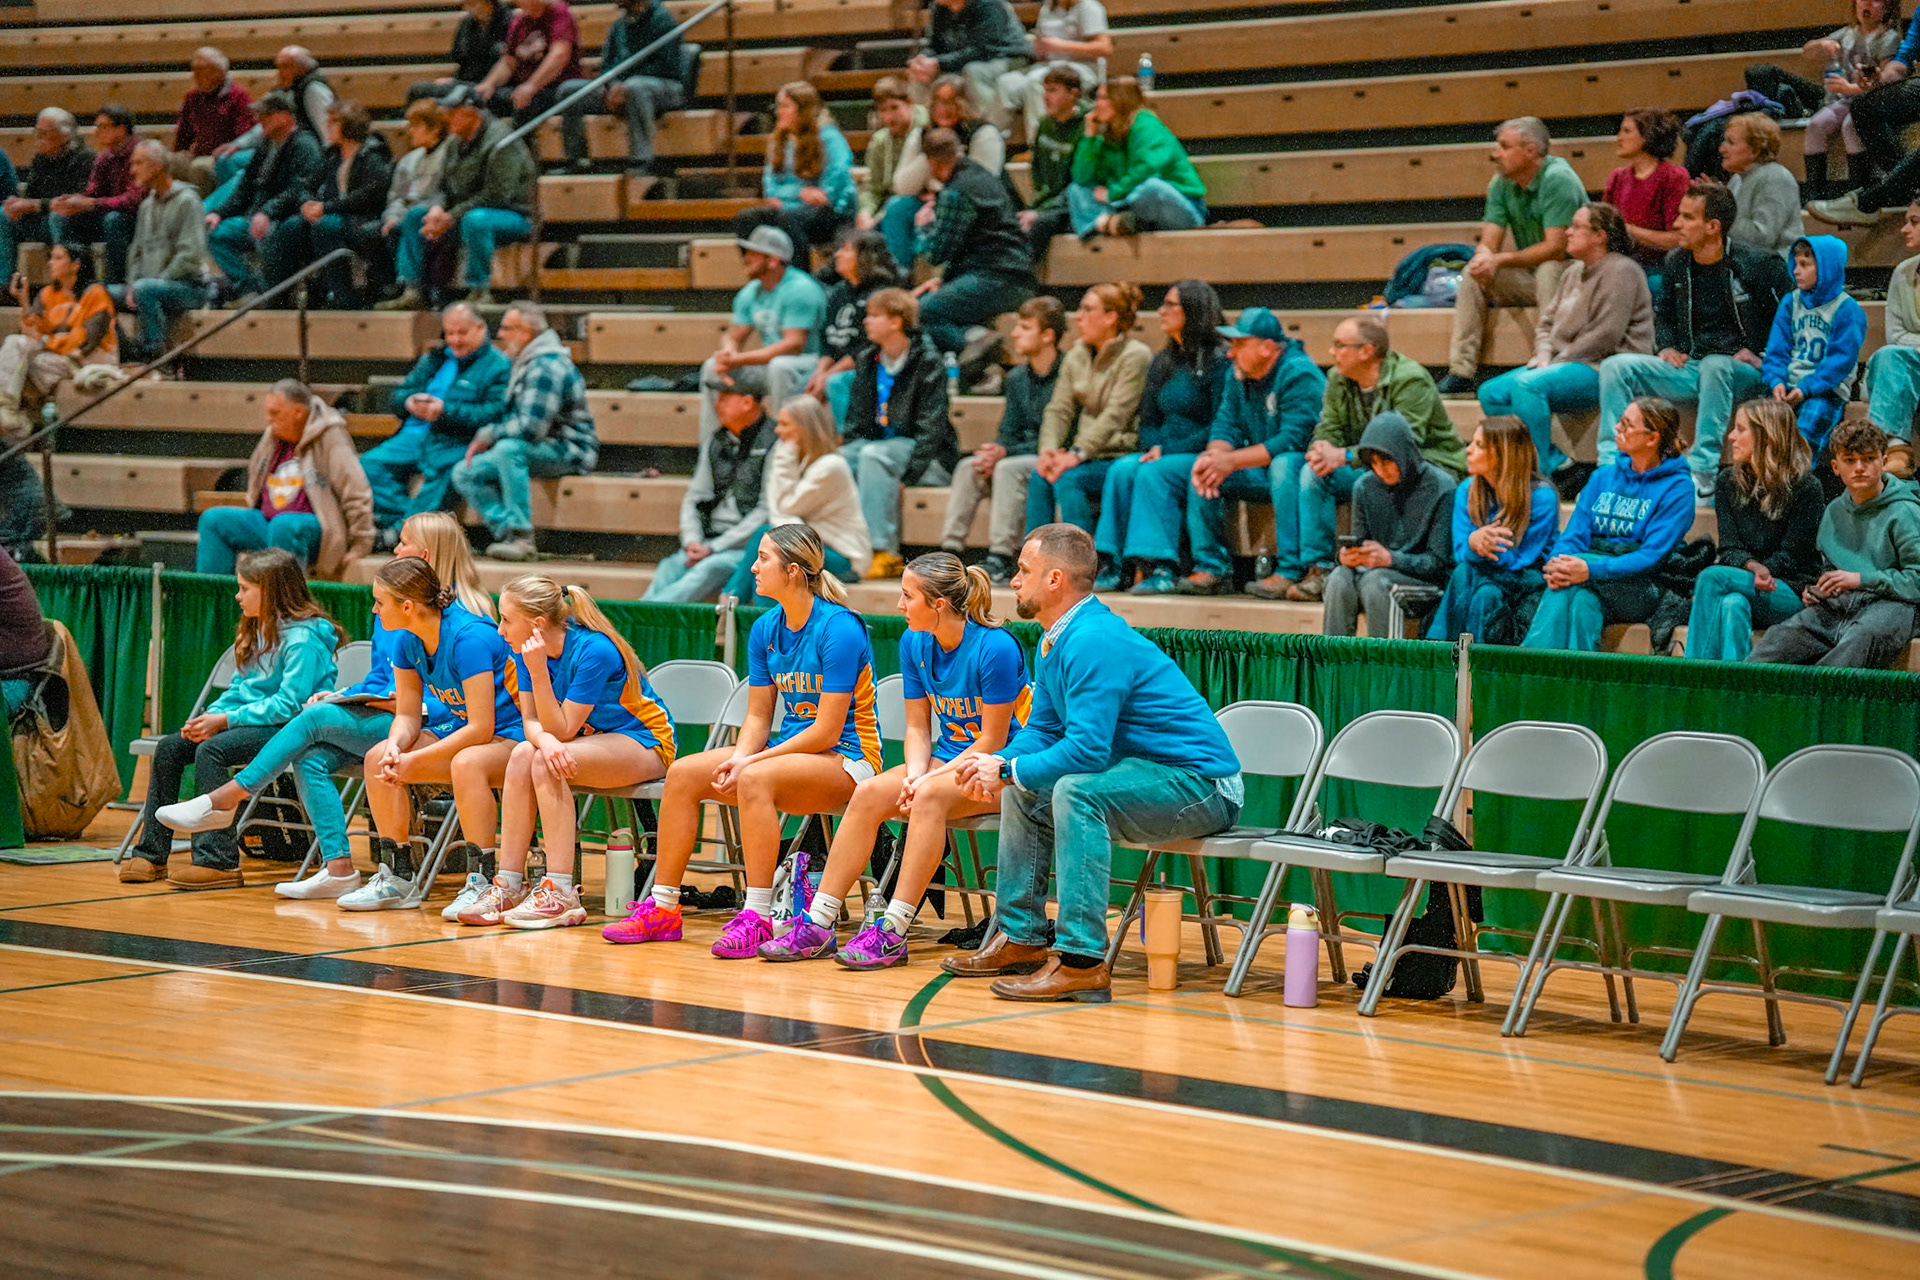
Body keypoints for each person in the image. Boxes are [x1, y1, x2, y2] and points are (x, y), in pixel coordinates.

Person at [946, 523, 1241, 1002]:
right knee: (1025, 791)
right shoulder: (1055, 638)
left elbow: (1087, 751)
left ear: (1055, 580)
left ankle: (1081, 962)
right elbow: (1043, 732)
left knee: (1074, 791)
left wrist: (1006, 770)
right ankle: (1021, 938)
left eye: (1023, 571)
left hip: (1202, 785)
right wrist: (997, 762)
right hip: (1146, 776)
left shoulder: (1093, 639)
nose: (1014, 581)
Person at [149, 511, 494, 903]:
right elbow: (383, 680)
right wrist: (345, 693)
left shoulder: (465, 622)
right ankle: (338, 868)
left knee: (312, 719)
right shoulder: (397, 619)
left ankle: (228, 798)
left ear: (425, 557)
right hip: (390, 715)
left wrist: (384, 703)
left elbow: (453, 700)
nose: (395, 549)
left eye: (403, 542)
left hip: (439, 724)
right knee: (310, 757)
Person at [603, 524, 882, 955]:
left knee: (754, 778)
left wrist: (753, 762)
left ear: (792, 571)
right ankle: (663, 907)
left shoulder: (839, 628)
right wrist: (745, 755)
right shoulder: (766, 627)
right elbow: (757, 716)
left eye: (763, 558)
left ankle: (758, 915)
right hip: (791, 755)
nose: (753, 567)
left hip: (848, 758)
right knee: (684, 774)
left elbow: (827, 730)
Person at [759, 552, 1027, 967]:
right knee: (868, 793)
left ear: (938, 604)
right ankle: (819, 923)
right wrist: (915, 775)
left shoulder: (995, 647)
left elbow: (992, 739)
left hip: (1002, 768)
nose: (900, 605)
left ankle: (893, 931)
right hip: (948, 762)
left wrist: (927, 783)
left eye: (908, 596)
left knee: (929, 798)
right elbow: (918, 728)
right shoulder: (914, 641)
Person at [118, 549, 345, 889]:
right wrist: (211, 716)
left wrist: (226, 721)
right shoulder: (259, 628)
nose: (238, 596)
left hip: (291, 729)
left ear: (269, 592)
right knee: (170, 748)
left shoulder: (303, 639)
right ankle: (151, 854)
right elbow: (241, 687)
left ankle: (218, 862)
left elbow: (289, 705)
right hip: (250, 721)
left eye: (244, 588)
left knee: (212, 750)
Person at [459, 576, 676, 929]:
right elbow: (531, 722)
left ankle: (561, 893)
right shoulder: (526, 649)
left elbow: (563, 729)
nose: (500, 630)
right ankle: (509, 884)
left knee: (544, 762)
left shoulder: (594, 650)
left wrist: (539, 679)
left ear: (537, 624)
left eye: (506, 619)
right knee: (522, 755)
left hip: (643, 740)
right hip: (586, 741)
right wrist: (544, 741)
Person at [347, 556, 522, 910]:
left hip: (514, 733)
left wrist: (416, 759)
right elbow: (407, 715)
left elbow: (482, 727)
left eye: (379, 602)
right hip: (466, 731)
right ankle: (397, 879)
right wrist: (396, 746)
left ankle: (482, 882)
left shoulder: (469, 638)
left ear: (407, 606)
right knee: (378, 758)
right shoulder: (406, 641)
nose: (374, 610)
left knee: (467, 764)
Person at [1598, 178, 1792, 497]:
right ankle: (1610, 464)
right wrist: (1666, 346)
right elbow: (1664, 313)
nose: (1676, 224)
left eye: (1687, 217)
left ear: (1713, 226)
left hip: (1748, 372)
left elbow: (1791, 318)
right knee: (1616, 367)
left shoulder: (1758, 264)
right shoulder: (1676, 262)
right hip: (1693, 366)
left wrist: (1764, 356)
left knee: (1716, 364)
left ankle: (1702, 469)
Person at [1289, 315, 1464, 601]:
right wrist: (1321, 447)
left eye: (1339, 345)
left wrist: (1344, 455)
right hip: (1370, 466)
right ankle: (1319, 569)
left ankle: (1401, 564)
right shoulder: (1338, 378)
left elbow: (1407, 444)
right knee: (1313, 472)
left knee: (1375, 470)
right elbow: (1329, 425)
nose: (1331, 352)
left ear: (1366, 351)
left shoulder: (1410, 378)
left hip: (1425, 465)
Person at [1156, 306, 1325, 599]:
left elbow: (1292, 440)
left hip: (1303, 466)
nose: (1230, 353)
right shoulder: (1239, 375)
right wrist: (1215, 457)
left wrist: (1230, 461)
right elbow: (1225, 425)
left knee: (1283, 464)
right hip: (1259, 467)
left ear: (1266, 348)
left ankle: (1290, 569)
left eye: (1239, 344)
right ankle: (1212, 568)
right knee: (1204, 466)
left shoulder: (1298, 373)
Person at [1476, 202, 1654, 477]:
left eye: (1576, 227)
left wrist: (1557, 361)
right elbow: (1546, 323)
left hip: (1603, 367)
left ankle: (1542, 471)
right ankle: (1554, 462)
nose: (1568, 232)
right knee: (1491, 393)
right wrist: (1544, 356)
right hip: (1564, 362)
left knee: (1527, 386)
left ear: (1599, 236)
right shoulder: (1571, 272)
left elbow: (1606, 335)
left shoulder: (1622, 270)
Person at [1521, 396, 1696, 652]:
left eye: (1627, 424)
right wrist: (1559, 563)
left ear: (1652, 438)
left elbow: (1651, 557)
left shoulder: (1678, 488)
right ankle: (1576, 675)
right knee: (1582, 604)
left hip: (1644, 585)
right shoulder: (1602, 476)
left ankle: (1530, 664)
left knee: (1574, 585)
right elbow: (1574, 535)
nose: (1617, 428)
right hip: (1594, 577)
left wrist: (1589, 568)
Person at [1747, 420, 1920, 667]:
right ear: (1836, 467)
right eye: (1850, 460)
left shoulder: (1905, 512)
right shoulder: (1833, 511)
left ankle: (1818, 693)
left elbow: (1916, 581)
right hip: (1839, 605)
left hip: (1893, 605)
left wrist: (1861, 579)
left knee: (1857, 642)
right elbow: (1831, 569)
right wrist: (1820, 589)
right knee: (1775, 641)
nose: (1859, 468)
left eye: (1868, 459)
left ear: (1883, 462)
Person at [1093, 279, 1228, 593]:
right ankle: (1115, 565)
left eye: (1170, 305)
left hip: (1201, 451)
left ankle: (1160, 565)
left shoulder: (1220, 361)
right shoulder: (1162, 361)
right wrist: (1154, 445)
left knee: (1154, 472)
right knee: (1121, 469)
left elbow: (1220, 425)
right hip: (1163, 451)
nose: (1161, 311)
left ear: (1193, 310)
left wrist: (1167, 451)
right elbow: (1148, 419)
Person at [1436, 116, 1584, 396]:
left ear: (1530, 151)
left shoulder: (1558, 179)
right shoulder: (1501, 182)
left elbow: (1556, 247)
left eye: (1504, 146)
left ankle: (1551, 358)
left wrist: (1499, 260)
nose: (1496, 153)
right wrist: (1483, 257)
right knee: (1472, 273)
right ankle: (1461, 371)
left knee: (1549, 268)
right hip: (1532, 275)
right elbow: (1490, 239)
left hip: (1574, 275)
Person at [453, 302, 597, 562]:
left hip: (569, 449)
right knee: (465, 472)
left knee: (508, 449)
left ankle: (522, 538)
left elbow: (530, 429)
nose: (500, 334)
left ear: (526, 332)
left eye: (507, 328)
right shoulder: (527, 362)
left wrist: (490, 434)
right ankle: (507, 532)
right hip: (542, 447)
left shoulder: (545, 367)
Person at [1684, 399, 1824, 660]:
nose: (1731, 436)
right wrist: (1752, 566)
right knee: (1732, 604)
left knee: (1712, 578)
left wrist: (1765, 569)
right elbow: (1729, 548)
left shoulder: (1807, 487)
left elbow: (1793, 557)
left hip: (1790, 590)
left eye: (1740, 429)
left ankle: (1692, 676)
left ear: (1766, 436)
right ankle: (1738, 683)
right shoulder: (1728, 481)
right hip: (1745, 580)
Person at [362, 302, 511, 542]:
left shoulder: (498, 366)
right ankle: (403, 524)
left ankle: (402, 533)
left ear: (480, 328)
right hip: (413, 435)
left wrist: (444, 412)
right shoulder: (435, 358)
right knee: (368, 465)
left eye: (462, 333)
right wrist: (409, 402)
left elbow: (494, 413)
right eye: (449, 333)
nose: (455, 340)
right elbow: (398, 395)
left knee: (445, 471)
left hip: (456, 440)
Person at [942, 295, 1065, 584]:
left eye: (1025, 327)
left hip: (1052, 455)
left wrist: (1006, 453)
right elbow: (1008, 430)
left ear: (1048, 335)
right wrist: (997, 448)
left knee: (1008, 468)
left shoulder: (1068, 373)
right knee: (969, 467)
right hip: (1021, 453)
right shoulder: (1017, 377)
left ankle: (1001, 555)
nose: (1015, 333)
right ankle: (949, 553)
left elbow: (1062, 435)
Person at [196, 379, 373, 578]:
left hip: (316, 530)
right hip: (269, 523)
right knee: (214, 520)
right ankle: (214, 596)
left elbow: (356, 491)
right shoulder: (273, 435)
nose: (268, 420)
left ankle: (283, 598)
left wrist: (361, 543)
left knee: (284, 525)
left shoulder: (330, 437)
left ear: (298, 412)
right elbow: (256, 477)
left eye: (275, 413)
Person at [841, 286, 956, 578]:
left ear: (896, 321)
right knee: (835, 461)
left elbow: (932, 427)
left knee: (873, 456)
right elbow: (856, 419)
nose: (866, 321)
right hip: (878, 446)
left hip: (922, 454)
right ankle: (837, 545)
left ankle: (883, 551)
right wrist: (850, 447)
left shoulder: (927, 361)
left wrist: (910, 475)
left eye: (874, 315)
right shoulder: (869, 359)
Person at [1025, 282, 1150, 539]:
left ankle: (1082, 555)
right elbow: (1058, 409)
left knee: (1068, 478)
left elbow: (1116, 414)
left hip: (1120, 453)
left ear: (1110, 317)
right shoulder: (1077, 354)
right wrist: (1048, 451)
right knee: (1040, 476)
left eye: (1087, 309)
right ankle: (1034, 555)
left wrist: (1077, 453)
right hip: (1086, 456)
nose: (1078, 317)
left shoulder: (1135, 355)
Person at [644, 364, 778, 603]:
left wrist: (715, 547)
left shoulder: (775, 442)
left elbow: (765, 511)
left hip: (743, 549)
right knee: (670, 566)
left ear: (747, 403)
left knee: (708, 569)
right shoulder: (716, 441)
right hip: (707, 541)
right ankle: (637, 618)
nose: (716, 405)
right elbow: (695, 496)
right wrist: (692, 540)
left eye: (724, 398)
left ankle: (639, 620)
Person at [723, 393, 874, 602]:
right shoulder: (798, 461)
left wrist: (783, 457)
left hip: (843, 558)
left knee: (770, 544)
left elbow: (786, 507)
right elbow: (777, 508)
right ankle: (737, 605)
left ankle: (731, 604)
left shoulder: (831, 467)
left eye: (785, 424)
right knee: (772, 549)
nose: (777, 430)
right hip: (810, 549)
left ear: (805, 428)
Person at [908, 128, 1034, 374]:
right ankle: (985, 372)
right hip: (1014, 276)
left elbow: (936, 254)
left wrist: (923, 228)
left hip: (995, 279)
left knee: (920, 313)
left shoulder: (956, 192)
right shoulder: (984, 177)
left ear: (931, 163)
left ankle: (976, 339)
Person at [1321, 412, 1458, 638]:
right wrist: (1346, 557)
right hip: (1376, 572)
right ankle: (1333, 660)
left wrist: (1391, 559)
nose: (1380, 470)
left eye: (1386, 461)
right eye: (1373, 463)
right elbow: (1359, 540)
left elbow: (1438, 563)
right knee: (1338, 578)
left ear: (1404, 454)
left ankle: (1385, 660)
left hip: (1427, 583)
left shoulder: (1441, 487)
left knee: (1376, 582)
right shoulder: (1364, 487)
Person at [1746, 1, 1901, 200]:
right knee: (1816, 125)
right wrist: (1821, 45)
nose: (1867, 4)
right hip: (1844, 100)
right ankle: (1815, 192)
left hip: (1870, 100)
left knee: (1850, 126)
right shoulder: (1848, 33)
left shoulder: (1889, 39)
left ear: (1888, 7)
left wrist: (1851, 88)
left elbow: (1886, 81)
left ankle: (1859, 189)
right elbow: (1807, 51)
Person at [1427, 416, 1560, 644]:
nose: (1468, 450)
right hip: (1482, 577)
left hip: (1526, 584)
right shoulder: (1467, 490)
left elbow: (1519, 561)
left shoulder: (1542, 497)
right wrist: (1474, 543)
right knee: (1478, 587)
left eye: (1479, 445)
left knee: (1477, 587)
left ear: (1503, 454)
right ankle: (1463, 659)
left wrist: (1482, 547)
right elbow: (1460, 552)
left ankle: (1443, 651)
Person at [695, 224, 827, 440]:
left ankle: (779, 445)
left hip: (808, 364)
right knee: (712, 367)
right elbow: (734, 335)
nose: (746, 259)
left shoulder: (801, 289)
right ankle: (711, 448)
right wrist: (728, 352)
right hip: (770, 365)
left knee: (780, 367)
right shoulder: (751, 291)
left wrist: (739, 359)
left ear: (773, 260)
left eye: (753, 254)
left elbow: (793, 345)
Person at [205, 91, 324, 303]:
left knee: (268, 236)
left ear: (285, 117)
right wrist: (219, 213)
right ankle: (249, 289)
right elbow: (245, 189)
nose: (260, 120)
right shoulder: (265, 145)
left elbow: (299, 189)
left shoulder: (305, 146)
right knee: (216, 233)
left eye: (266, 115)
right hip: (257, 216)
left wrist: (267, 213)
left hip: (287, 217)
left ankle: (274, 297)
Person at [883, 74, 1008, 275]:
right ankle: (900, 276)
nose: (944, 109)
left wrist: (940, 194)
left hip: (969, 206)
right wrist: (931, 150)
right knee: (897, 207)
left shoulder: (983, 133)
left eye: (951, 102)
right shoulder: (922, 134)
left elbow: (980, 184)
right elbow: (902, 186)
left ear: (965, 104)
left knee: (948, 205)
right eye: (939, 102)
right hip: (932, 200)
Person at [1761, 235, 1868, 458]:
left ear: (1827, 267)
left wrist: (1806, 388)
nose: (1796, 271)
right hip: (1787, 387)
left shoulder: (1847, 309)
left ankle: (1798, 479)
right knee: (1763, 433)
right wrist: (1776, 381)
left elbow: (1839, 362)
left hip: (1826, 390)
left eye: (1805, 264)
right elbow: (1776, 351)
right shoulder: (1790, 302)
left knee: (1804, 438)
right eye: (1795, 263)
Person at [0, 243, 116, 441]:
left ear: (75, 265)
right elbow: (31, 333)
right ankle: (7, 412)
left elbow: (83, 342)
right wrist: (24, 301)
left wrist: (46, 341)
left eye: (57, 258)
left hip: (88, 362)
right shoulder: (48, 294)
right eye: (51, 258)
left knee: (21, 362)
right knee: (15, 344)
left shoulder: (96, 294)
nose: (50, 263)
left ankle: (15, 422)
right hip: (57, 359)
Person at [1066, 77, 1206, 240]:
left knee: (1150, 188)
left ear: (1122, 100)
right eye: (1097, 99)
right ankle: (1106, 225)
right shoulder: (1105, 134)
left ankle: (1117, 223)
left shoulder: (1146, 124)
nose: (1097, 104)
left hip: (1180, 208)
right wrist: (1089, 136)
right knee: (1077, 190)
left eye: (1104, 98)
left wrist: (1113, 194)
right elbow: (1081, 176)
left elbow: (1146, 169)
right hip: (1128, 204)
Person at [558, 0, 685, 179]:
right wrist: (612, 85)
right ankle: (576, 160)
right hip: (621, 86)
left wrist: (623, 85)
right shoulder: (619, 25)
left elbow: (666, 67)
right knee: (569, 90)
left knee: (635, 87)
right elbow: (607, 66)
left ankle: (641, 160)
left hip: (665, 87)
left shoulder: (663, 20)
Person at [731, 82, 856, 258]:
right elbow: (771, 185)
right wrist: (798, 193)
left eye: (785, 106)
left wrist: (800, 197)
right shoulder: (780, 140)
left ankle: (796, 272)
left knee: (786, 221)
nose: (778, 112)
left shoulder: (829, 137)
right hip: (790, 208)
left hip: (829, 213)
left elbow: (832, 185)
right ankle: (759, 268)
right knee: (747, 218)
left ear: (803, 110)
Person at [290, 100, 393, 306]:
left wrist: (325, 207)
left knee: (326, 226)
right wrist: (306, 203)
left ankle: (342, 295)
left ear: (349, 124)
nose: (327, 126)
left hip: (363, 216)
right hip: (336, 213)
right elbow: (306, 184)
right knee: (291, 227)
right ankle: (289, 295)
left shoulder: (372, 153)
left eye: (333, 122)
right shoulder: (333, 155)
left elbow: (369, 195)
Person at [119, 139, 209, 364]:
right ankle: (124, 354)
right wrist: (131, 285)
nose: (133, 170)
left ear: (158, 165)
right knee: (101, 293)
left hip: (188, 287)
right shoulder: (146, 206)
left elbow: (191, 254)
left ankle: (155, 356)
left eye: (139, 163)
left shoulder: (187, 201)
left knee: (145, 289)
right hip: (150, 286)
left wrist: (158, 281)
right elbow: (136, 252)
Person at [805, 228, 899, 426]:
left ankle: (846, 438)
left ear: (865, 256)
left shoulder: (882, 293)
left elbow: (868, 348)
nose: (837, 255)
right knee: (798, 373)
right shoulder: (839, 291)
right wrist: (820, 373)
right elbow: (826, 339)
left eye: (846, 250)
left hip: (871, 366)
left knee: (836, 382)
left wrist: (828, 375)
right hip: (838, 364)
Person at [49, 104, 142, 285]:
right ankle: (78, 281)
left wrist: (92, 203)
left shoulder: (140, 153)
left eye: (103, 126)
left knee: (114, 220)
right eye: (96, 126)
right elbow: (94, 191)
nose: (97, 131)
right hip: (108, 213)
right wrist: (75, 201)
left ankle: (117, 282)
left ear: (121, 129)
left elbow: (134, 200)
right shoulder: (105, 156)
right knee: (60, 217)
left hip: (137, 218)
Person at [0, 111, 91, 291]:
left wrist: (32, 205)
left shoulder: (85, 158)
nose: (38, 138)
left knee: (58, 217)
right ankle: (4, 284)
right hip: (42, 221)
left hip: (77, 224)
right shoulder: (40, 159)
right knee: (3, 215)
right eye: (37, 132)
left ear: (65, 135)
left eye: (44, 133)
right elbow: (31, 197)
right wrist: (16, 205)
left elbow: (68, 203)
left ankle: (65, 284)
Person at [908, 0, 1032, 130]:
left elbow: (983, 49)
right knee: (920, 75)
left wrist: (939, 63)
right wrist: (923, 60)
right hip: (962, 62)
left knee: (974, 71)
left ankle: (986, 129)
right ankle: (926, 131)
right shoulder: (940, 9)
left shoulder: (989, 4)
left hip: (1007, 59)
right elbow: (935, 46)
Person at [1603, 108, 1688, 295]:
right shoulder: (1617, 177)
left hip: (1658, 266)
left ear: (1647, 137)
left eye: (1626, 131)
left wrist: (1628, 230)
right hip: (1620, 263)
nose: (1619, 138)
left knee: (1650, 284)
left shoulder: (1673, 177)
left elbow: (1677, 239)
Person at [378, 99, 453, 308]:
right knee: (384, 229)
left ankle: (412, 287)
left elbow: (447, 192)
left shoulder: (449, 154)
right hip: (409, 213)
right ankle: (390, 288)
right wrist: (392, 217)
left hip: (436, 211)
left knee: (414, 217)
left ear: (435, 128)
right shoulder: (408, 160)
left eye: (416, 125)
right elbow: (397, 196)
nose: (410, 131)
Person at [999, 0, 1109, 143]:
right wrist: (1039, 47)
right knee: (1006, 83)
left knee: (1036, 82)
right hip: (1048, 65)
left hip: (1081, 67)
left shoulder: (1087, 7)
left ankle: (1039, 143)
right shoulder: (1047, 7)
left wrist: (1059, 46)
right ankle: (995, 141)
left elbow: (1104, 47)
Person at [473, 0, 584, 127]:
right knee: (483, 99)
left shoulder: (559, 13)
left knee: (527, 102)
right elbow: (509, 62)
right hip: (524, 89)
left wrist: (532, 85)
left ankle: (519, 140)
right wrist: (489, 83)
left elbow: (559, 54)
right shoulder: (520, 20)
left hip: (555, 89)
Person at [1019, 64, 1090, 261]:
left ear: (1073, 94)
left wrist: (1044, 211)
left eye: (1052, 91)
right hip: (1046, 204)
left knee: (1034, 225)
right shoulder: (1044, 124)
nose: (1045, 97)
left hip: (1072, 204)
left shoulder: (1087, 127)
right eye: (1044, 91)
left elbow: (1082, 180)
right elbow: (1037, 171)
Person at [1866, 197, 1920, 449]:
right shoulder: (1902, 272)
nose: (1904, 229)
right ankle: (1894, 447)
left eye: (1914, 222)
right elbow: (1895, 336)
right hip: (1913, 366)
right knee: (1888, 357)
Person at [168, 47, 255, 198]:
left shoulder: (237, 95)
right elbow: (184, 131)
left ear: (219, 71)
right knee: (168, 163)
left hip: (224, 155)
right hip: (200, 152)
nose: (196, 75)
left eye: (202, 69)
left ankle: (201, 208)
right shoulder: (192, 96)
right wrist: (179, 153)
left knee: (200, 168)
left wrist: (222, 153)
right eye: (195, 69)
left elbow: (244, 133)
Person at [1719, 113, 1804, 258]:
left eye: (1731, 143)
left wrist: (1720, 216)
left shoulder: (1775, 178)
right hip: (1747, 262)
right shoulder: (1737, 179)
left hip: (1777, 263)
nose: (1722, 149)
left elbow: (1762, 238)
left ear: (1755, 150)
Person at [410, 0, 515, 103]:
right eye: (466, 5)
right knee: (418, 90)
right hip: (466, 84)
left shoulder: (510, 21)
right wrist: (454, 80)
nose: (470, 9)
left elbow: (507, 63)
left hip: (495, 87)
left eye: (473, 3)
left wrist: (485, 84)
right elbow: (461, 61)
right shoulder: (466, 24)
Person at [857, 78, 925, 233]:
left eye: (895, 108)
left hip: (917, 203)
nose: (889, 117)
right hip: (886, 209)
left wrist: (881, 216)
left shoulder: (927, 131)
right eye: (883, 110)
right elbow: (872, 188)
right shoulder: (879, 141)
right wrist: (865, 212)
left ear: (909, 103)